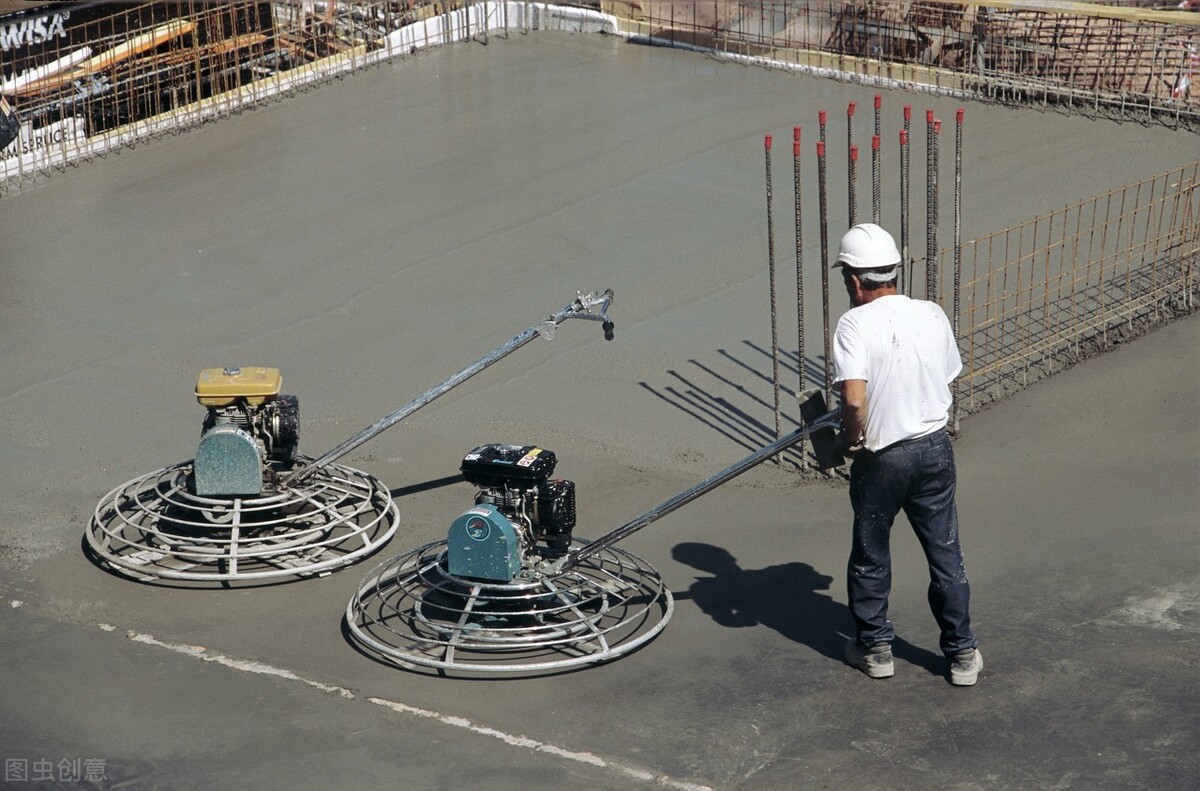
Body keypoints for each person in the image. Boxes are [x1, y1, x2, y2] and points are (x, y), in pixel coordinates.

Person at [829, 222, 982, 686]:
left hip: (884, 459)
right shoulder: (932, 313)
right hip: (935, 451)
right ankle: (962, 655)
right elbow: (947, 374)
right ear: (894, 270)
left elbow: (854, 399)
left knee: (871, 552)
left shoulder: (853, 323)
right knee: (945, 552)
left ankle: (876, 649)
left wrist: (849, 438)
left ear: (855, 279)